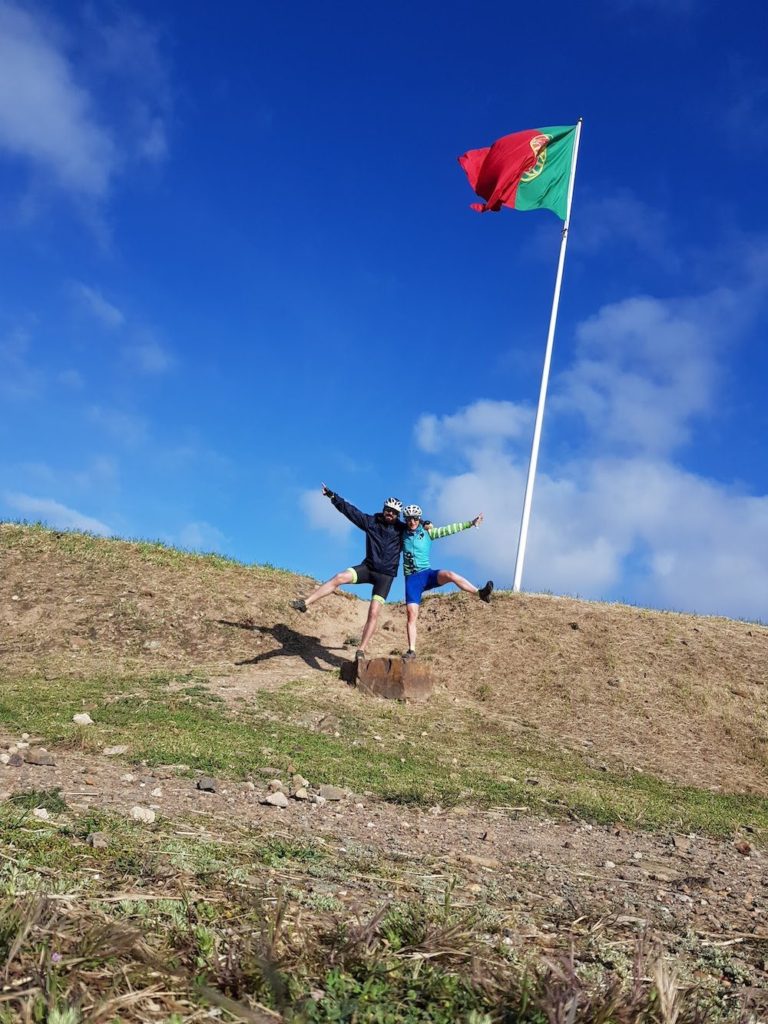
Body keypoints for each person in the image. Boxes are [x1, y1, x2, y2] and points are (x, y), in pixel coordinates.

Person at [292, 484, 406, 660]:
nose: (390, 513)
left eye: (393, 512)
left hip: (386, 577)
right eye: (387, 510)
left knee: (373, 612)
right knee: (339, 577)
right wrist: (332, 496)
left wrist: (426, 525)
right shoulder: (371, 522)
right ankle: (305, 603)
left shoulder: (402, 530)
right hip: (368, 568)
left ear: (398, 515)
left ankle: (360, 650)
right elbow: (350, 511)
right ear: (383, 509)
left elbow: (418, 528)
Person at [401, 504, 493, 660]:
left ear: (419, 519)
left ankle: (480, 593)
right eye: (409, 519)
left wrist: (470, 523)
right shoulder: (401, 533)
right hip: (412, 580)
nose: (412, 522)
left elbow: (449, 529)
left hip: (427, 574)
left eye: (415, 519)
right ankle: (411, 650)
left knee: (450, 574)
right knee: (411, 614)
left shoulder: (428, 533)